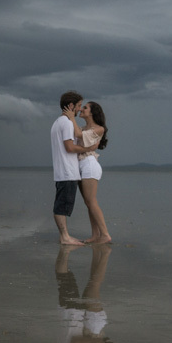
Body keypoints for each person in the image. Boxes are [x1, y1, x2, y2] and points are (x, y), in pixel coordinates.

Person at [50, 91, 93, 245]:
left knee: (60, 205)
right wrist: (87, 149)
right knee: (62, 206)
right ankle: (65, 237)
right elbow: (69, 147)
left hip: (61, 171)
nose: (80, 109)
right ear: (71, 106)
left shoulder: (57, 122)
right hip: (68, 171)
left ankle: (65, 236)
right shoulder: (67, 123)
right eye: (79, 105)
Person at [70, 101, 111, 244]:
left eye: (85, 108)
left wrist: (71, 116)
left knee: (92, 201)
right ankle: (95, 235)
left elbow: (78, 134)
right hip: (81, 165)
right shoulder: (83, 127)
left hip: (89, 164)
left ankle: (105, 234)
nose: (81, 109)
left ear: (92, 113)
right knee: (89, 203)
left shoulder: (99, 129)